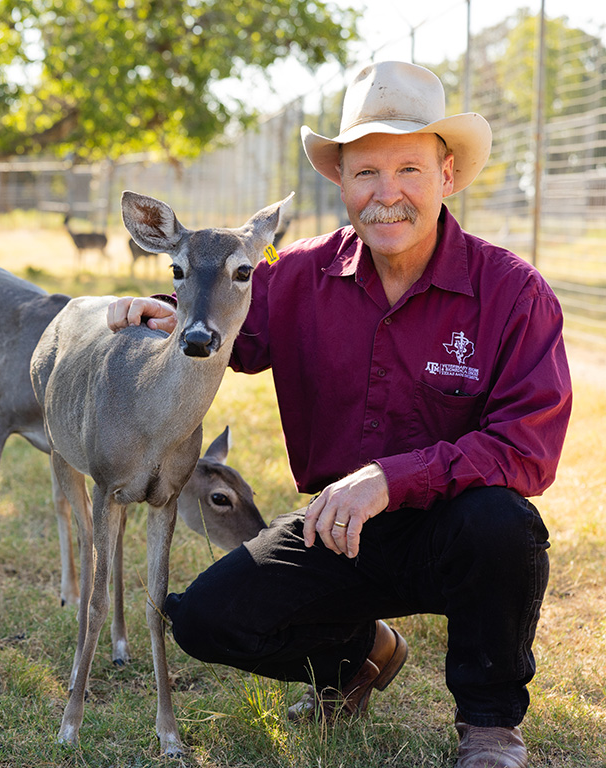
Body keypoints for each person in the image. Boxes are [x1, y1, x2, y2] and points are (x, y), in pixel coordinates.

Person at [107, 61, 571, 768]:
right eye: (365, 174)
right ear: (341, 182)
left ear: (447, 175)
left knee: (505, 526)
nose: (387, 196)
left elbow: (527, 447)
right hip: (340, 529)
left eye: (409, 169)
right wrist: (158, 315)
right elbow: (229, 332)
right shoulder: (294, 277)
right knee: (203, 619)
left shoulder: (512, 293)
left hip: (458, 528)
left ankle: (489, 728)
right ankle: (356, 656)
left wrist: (388, 478)